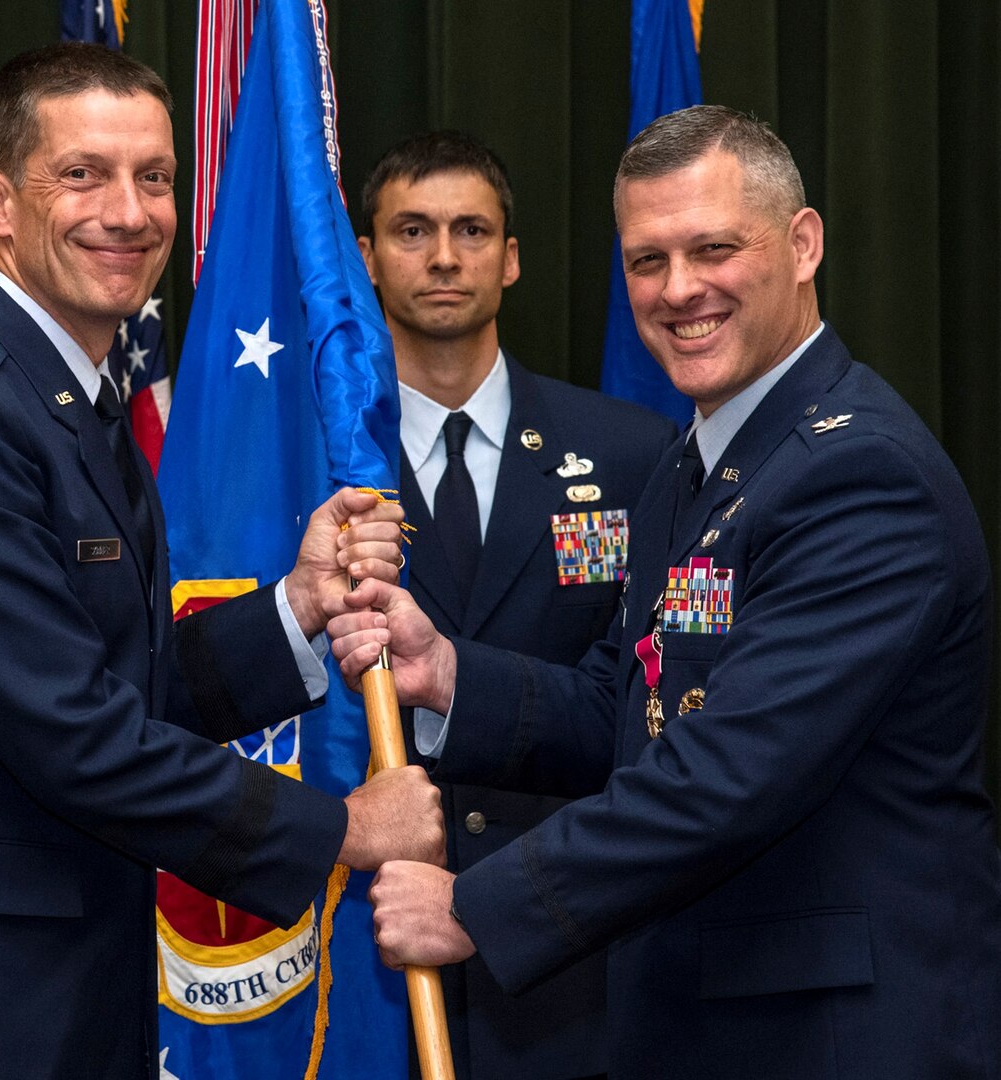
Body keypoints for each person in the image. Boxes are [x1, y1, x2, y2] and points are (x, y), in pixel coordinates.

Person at [0, 43, 444, 1080]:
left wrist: (295, 603)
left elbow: (126, 681)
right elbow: (74, 734)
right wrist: (340, 828)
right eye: (83, 175)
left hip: (65, 981)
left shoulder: (68, 401)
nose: (130, 210)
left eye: (155, 177)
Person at [332, 105, 1001, 1079]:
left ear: (802, 244)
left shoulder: (858, 475)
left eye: (714, 249)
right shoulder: (697, 468)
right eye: (647, 261)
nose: (680, 289)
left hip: (832, 1039)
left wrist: (478, 904)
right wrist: (445, 676)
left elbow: (732, 768)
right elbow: (631, 704)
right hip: (711, 1024)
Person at [358, 130, 675, 1080]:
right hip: (366, 961)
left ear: (513, 257)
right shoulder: (321, 463)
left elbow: (644, 708)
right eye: (412, 230)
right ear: (366, 257)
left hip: (569, 970)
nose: (445, 257)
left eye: (471, 230)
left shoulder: (632, 450)